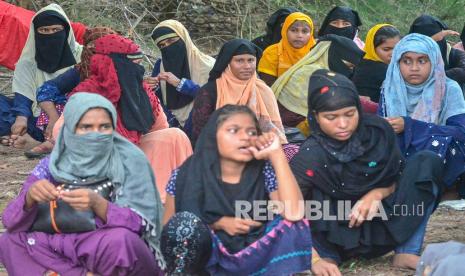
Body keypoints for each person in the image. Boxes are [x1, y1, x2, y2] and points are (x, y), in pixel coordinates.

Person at [290, 69, 444, 274]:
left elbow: (398, 176)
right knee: (308, 192)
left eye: (349, 114)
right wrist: (314, 258)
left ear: (359, 109)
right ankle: (326, 257)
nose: (343, 124)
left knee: (427, 162)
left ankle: (407, 251)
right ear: (315, 117)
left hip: (384, 227)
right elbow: (285, 208)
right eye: (331, 117)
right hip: (334, 237)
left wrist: (377, 193)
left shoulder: (378, 132)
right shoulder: (310, 154)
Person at [0, 93, 164, 275]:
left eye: (104, 127)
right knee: (11, 240)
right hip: (57, 242)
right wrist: (30, 197)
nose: (96, 134)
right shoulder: (52, 165)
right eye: (86, 127)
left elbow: (142, 224)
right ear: (70, 129)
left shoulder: (128, 160)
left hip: (99, 242)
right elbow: (10, 221)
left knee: (121, 241)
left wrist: (99, 204)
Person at [162, 104, 311, 275]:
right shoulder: (186, 174)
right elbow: (170, 230)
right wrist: (217, 223)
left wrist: (277, 156)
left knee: (291, 223)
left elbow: (294, 213)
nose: (245, 137)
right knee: (184, 226)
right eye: (234, 130)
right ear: (213, 136)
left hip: (255, 256)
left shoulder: (264, 169)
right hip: (207, 260)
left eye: (252, 132)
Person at [69, 34, 192, 202]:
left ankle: (172, 192)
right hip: (100, 163)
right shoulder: (87, 92)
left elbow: (160, 127)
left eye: (139, 65)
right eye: (133, 65)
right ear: (113, 65)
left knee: (175, 136)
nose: (139, 71)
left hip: (135, 152)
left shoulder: (140, 91)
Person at [379, 33, 465, 197]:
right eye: (407, 61)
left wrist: (411, 126)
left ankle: (444, 190)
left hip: (439, 158)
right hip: (399, 158)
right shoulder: (389, 87)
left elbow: (461, 132)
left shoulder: (448, 88)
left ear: (434, 62)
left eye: (422, 61)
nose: (414, 68)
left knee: (441, 144)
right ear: (397, 63)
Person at [25, 27, 117, 159]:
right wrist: (54, 118)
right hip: (79, 119)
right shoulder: (80, 71)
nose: (98, 53)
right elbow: (46, 89)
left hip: (112, 118)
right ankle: (53, 142)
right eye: (93, 46)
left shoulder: (124, 69)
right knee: (59, 104)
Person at [0, 4, 82, 150]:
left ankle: (36, 141)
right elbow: (23, 99)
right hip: (36, 118)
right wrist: (21, 118)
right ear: (35, 33)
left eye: (56, 30)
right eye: (44, 30)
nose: (51, 34)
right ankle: (25, 136)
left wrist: (56, 118)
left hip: (71, 115)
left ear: (67, 31)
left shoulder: (83, 57)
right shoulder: (27, 62)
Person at [191, 39, 286, 145]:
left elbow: (274, 132)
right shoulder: (210, 91)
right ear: (228, 63)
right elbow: (201, 133)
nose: (247, 66)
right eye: (240, 60)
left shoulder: (263, 90)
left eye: (250, 60)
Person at [271, 34, 365, 130]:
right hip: (289, 129)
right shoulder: (312, 73)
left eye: (352, 68)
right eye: (348, 66)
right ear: (332, 58)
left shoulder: (325, 73)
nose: (349, 71)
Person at [149, 20, 215, 136]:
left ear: (184, 38)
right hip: (171, 134)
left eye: (171, 41)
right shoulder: (160, 66)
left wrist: (181, 84)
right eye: (162, 45)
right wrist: (148, 88)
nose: (167, 47)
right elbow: (157, 103)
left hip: (204, 133)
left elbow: (216, 99)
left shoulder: (209, 66)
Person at [258, 12, 316, 86]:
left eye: (304, 31)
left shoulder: (316, 52)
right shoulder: (272, 53)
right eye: (294, 30)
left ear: (311, 34)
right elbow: (267, 87)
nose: (299, 35)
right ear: (285, 31)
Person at [409, 15, 465, 89]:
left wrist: (436, 78)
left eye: (438, 41)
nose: (434, 46)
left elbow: (462, 70)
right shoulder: (406, 58)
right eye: (429, 42)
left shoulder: (453, 54)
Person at [352, 24, 401, 103]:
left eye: (397, 48)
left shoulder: (359, 62)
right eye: (386, 49)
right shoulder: (383, 70)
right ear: (372, 48)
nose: (393, 54)